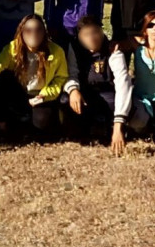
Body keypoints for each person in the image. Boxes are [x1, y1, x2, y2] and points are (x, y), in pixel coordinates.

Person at [61, 15, 147, 155]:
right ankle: (84, 130)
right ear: (79, 36)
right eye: (86, 34)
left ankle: (116, 128)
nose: (92, 38)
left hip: (109, 94)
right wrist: (73, 90)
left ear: (101, 32)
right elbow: (72, 73)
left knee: (139, 118)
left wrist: (119, 124)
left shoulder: (112, 49)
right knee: (66, 100)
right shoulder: (74, 48)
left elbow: (122, 83)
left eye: (95, 32)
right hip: (86, 94)